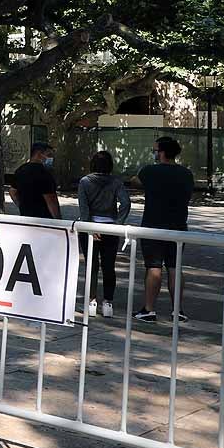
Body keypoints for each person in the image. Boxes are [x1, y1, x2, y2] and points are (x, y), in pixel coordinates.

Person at [131, 136, 195, 324]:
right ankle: (177, 310)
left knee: (154, 267)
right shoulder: (186, 173)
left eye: (155, 150)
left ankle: (149, 309)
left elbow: (135, 181)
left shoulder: (150, 171)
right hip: (178, 226)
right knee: (175, 268)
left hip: (153, 225)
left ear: (161, 152)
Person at [77, 151, 131, 318]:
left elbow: (83, 208)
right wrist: (118, 223)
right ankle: (108, 303)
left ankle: (91, 301)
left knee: (91, 266)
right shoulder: (116, 182)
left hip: (90, 227)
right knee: (109, 266)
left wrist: (89, 227)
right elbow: (126, 203)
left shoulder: (85, 181)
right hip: (110, 227)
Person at [9, 142, 61, 219]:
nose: (51, 159)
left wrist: (22, 207)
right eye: (49, 155)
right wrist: (58, 220)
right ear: (39, 154)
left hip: (25, 217)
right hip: (44, 219)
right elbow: (51, 200)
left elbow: (12, 191)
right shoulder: (44, 174)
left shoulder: (20, 170)